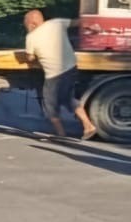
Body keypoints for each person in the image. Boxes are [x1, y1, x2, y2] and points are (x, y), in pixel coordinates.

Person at [23, 9, 96, 140]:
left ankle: (68, 131)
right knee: (68, 98)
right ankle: (84, 126)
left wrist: (33, 55)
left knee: (50, 103)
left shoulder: (31, 37)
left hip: (54, 74)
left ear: (31, 23)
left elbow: (29, 58)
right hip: (71, 68)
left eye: (26, 24)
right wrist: (93, 26)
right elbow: (77, 22)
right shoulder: (57, 23)